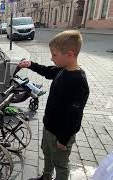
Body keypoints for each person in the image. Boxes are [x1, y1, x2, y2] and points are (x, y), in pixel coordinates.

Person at [18, 30, 90, 180]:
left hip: (61, 134)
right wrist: (31, 65)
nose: (51, 58)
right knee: (47, 154)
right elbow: (48, 71)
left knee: (61, 163)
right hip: (49, 127)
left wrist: (63, 140)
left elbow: (75, 116)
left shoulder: (79, 82)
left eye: (54, 55)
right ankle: (46, 177)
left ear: (69, 54)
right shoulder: (62, 70)